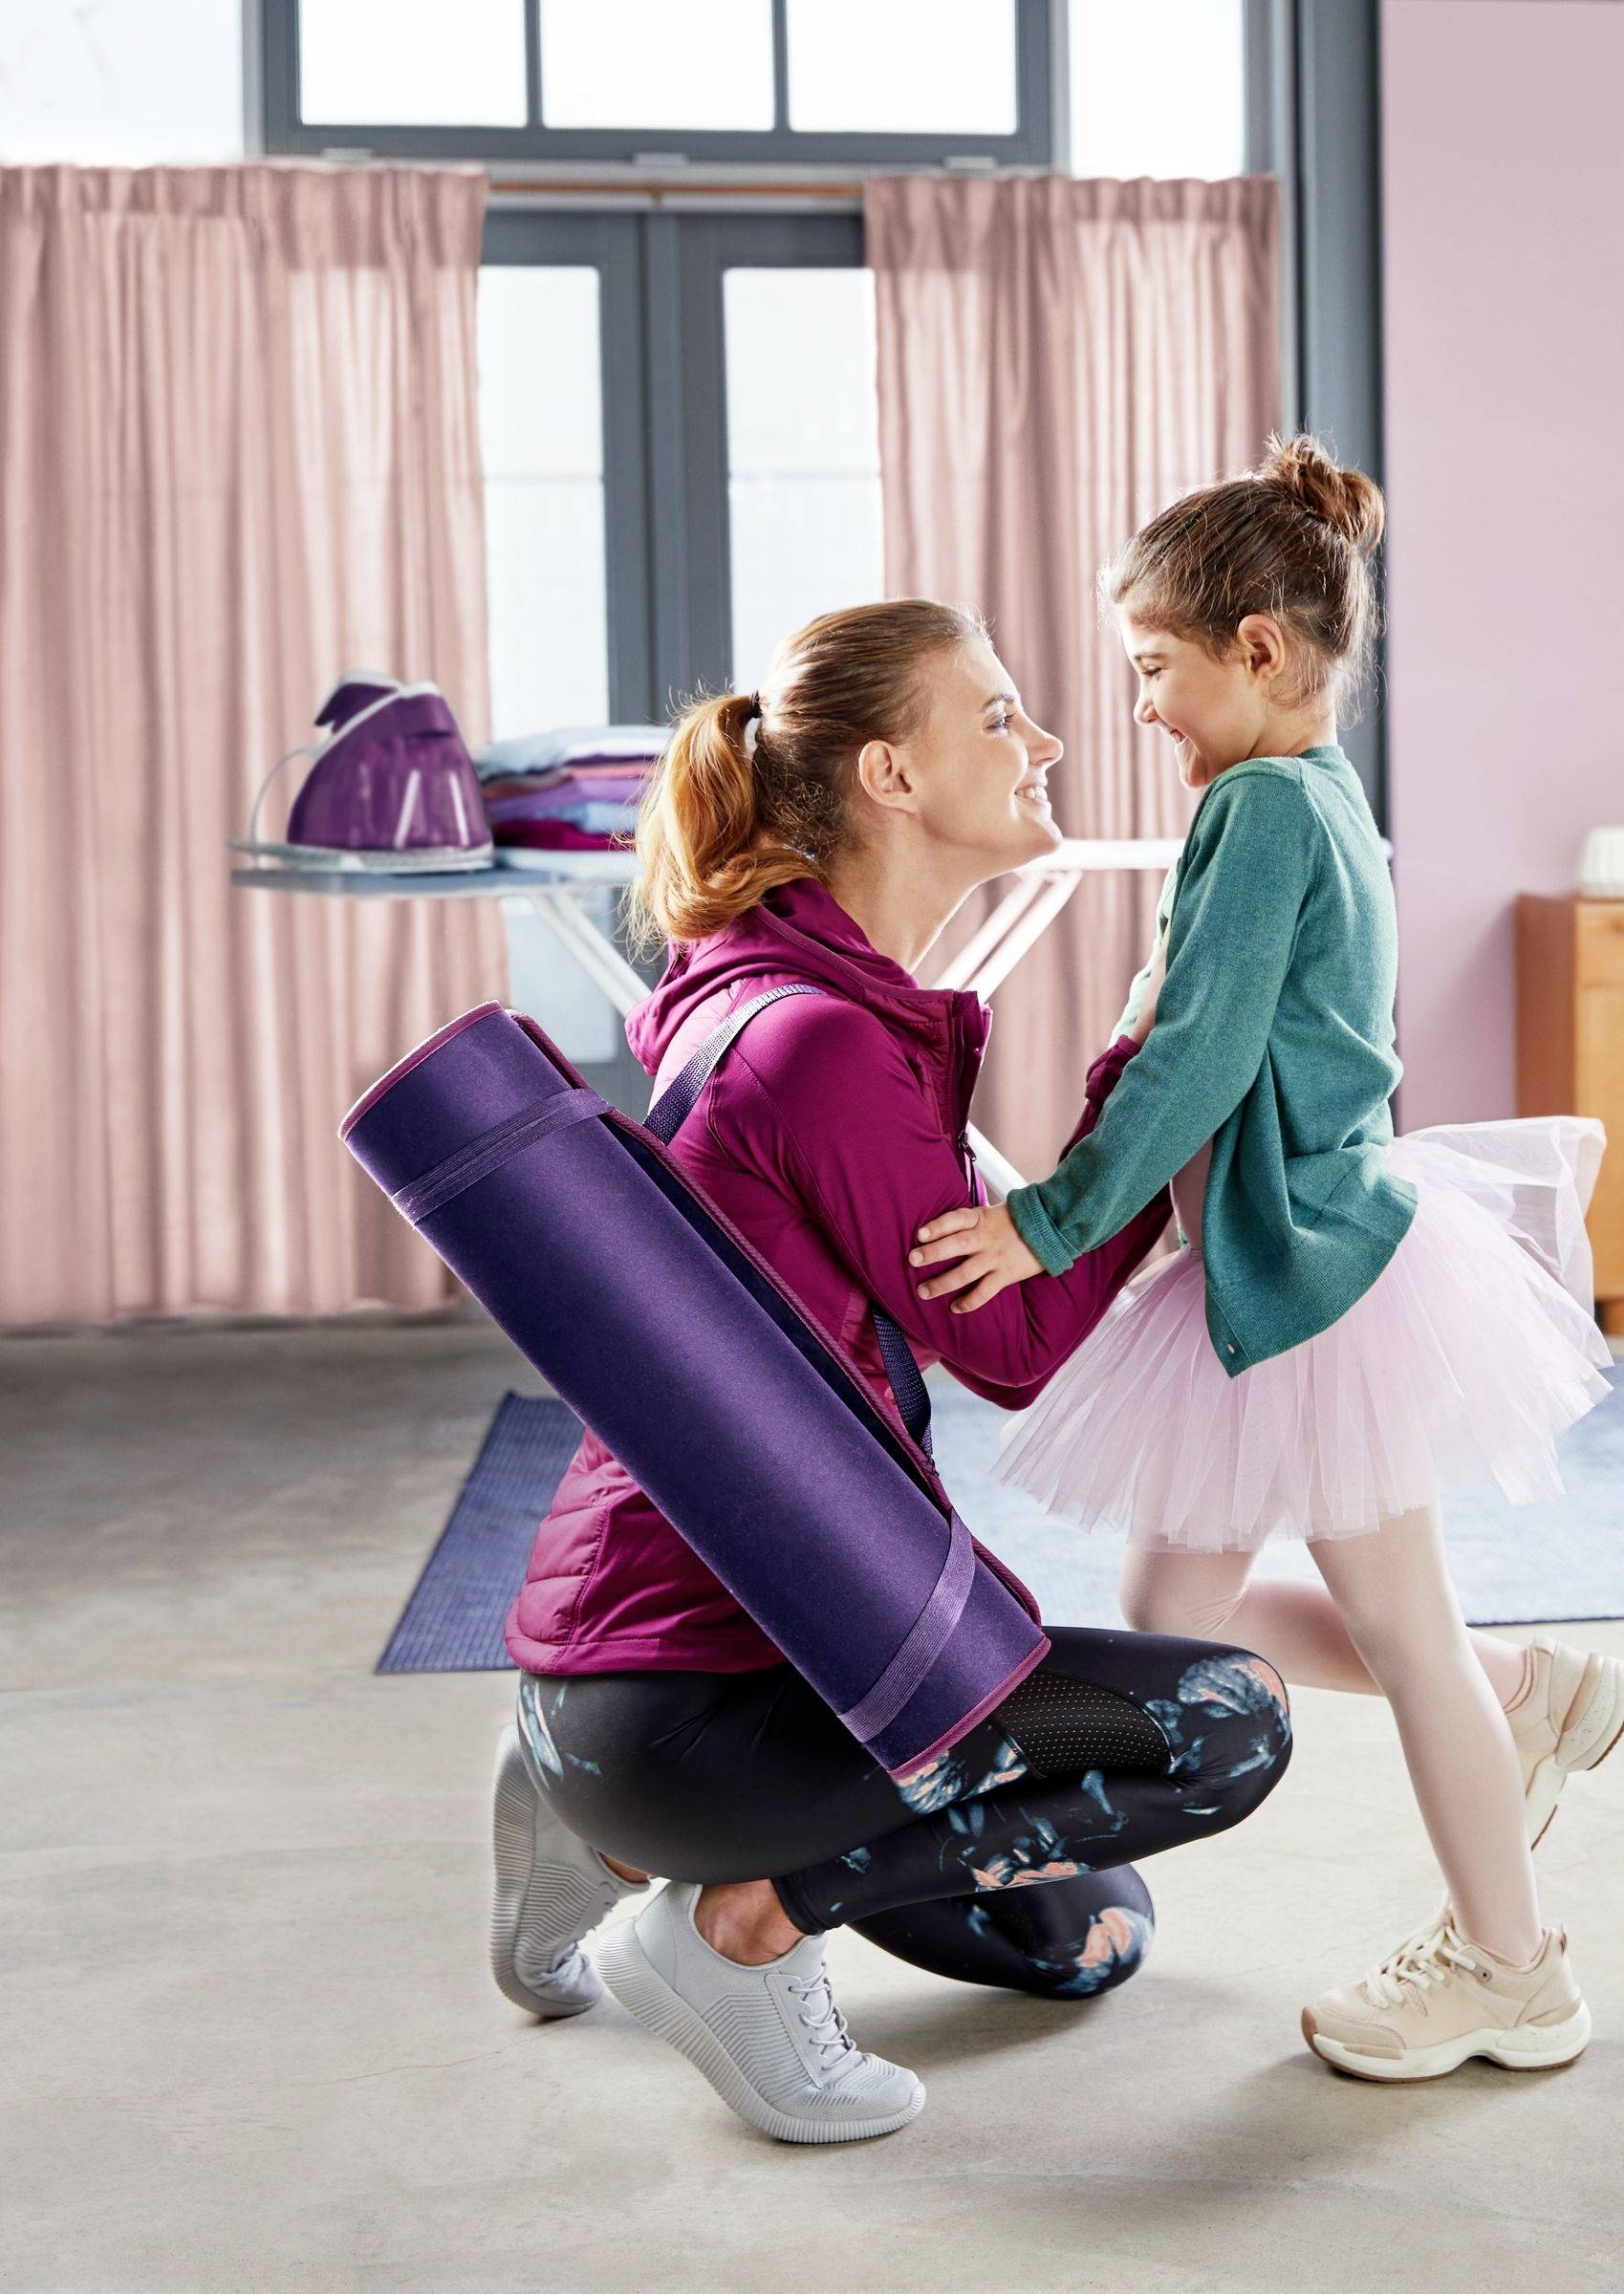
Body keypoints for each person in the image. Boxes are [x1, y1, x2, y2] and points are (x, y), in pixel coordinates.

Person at [488, 598, 1293, 2144]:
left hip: (639, 1689)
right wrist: (1157, 1091)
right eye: (996, 715)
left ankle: (592, 1833)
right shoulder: (820, 1046)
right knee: (1224, 1720)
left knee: (1085, 1932)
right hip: (706, 1703)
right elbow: (1016, 1350)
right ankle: (738, 1927)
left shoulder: (762, 990)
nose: (1043, 740)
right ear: (892, 777)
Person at [907, 439, 1624, 2085]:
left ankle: (1513, 1968)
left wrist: (1047, 1221)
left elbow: (1201, 1055)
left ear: (1255, 649)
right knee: (1174, 1610)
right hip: (1278, 1262)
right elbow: (1204, 1019)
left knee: (1403, 1632)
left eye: (1154, 668)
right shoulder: (1314, 795)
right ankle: (1525, 1693)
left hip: (1316, 1277)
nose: (1141, 707)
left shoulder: (1257, 807)